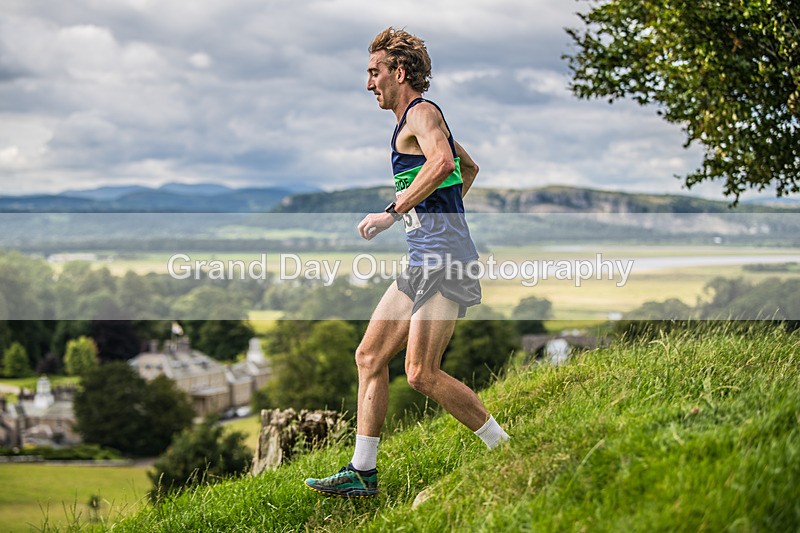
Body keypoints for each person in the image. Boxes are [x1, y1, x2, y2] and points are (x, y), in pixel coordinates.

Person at [305, 27, 510, 498]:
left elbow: (442, 163)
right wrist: (439, 212)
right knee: (369, 356)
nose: (369, 83)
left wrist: (394, 212)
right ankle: (363, 471)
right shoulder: (410, 123)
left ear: (400, 73)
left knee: (421, 373)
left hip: (445, 260)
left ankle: (506, 448)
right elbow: (467, 168)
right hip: (424, 257)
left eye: (374, 72)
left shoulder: (422, 112)